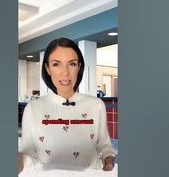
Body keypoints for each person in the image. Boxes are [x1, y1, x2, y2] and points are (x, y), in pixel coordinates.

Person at [18, 38, 115, 173]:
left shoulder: (96, 105)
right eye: (56, 64)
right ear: (47, 68)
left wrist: (109, 161)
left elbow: (105, 146)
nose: (65, 72)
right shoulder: (33, 108)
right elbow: (27, 154)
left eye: (72, 64)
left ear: (79, 67)